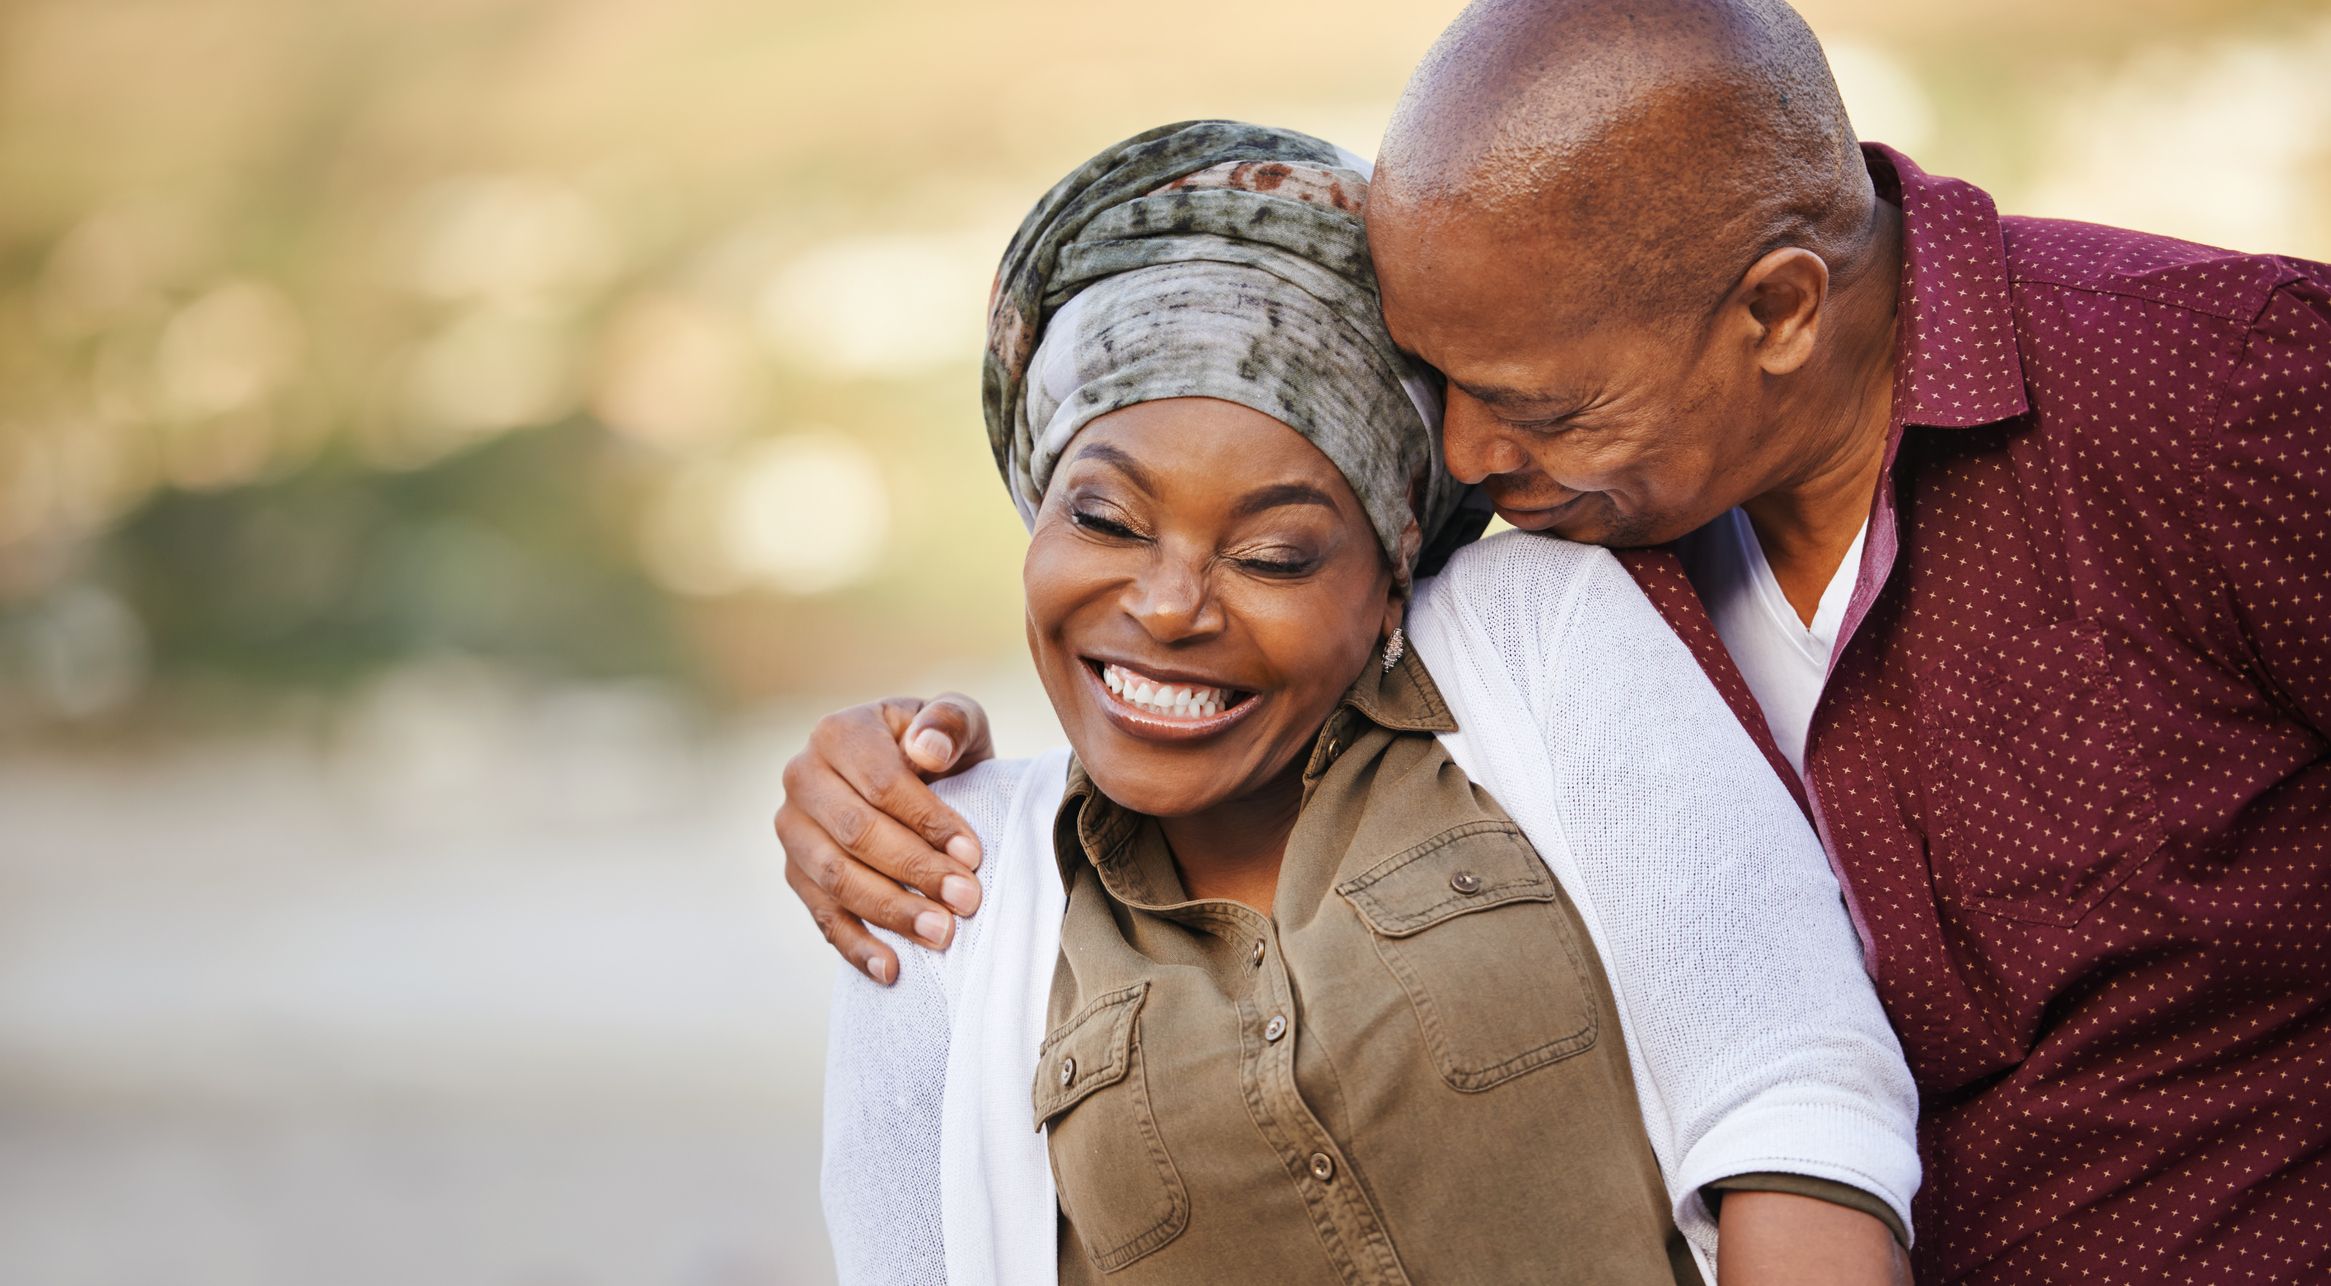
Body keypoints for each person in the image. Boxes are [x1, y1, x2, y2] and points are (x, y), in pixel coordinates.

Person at [784, 2, 2331, 1281]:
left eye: (1529, 398)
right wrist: (887, 775)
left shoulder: (2213, 396)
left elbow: (1788, 1085)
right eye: (1437, 388)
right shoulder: (1588, 550)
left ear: (1777, 310)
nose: (1461, 457)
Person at [820, 121, 1920, 1285]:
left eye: (1277, 555)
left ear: (1392, 572)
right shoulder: (942, 869)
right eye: (1103, 519)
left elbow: (1796, 1103)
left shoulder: (1531, 640)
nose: (1170, 604)